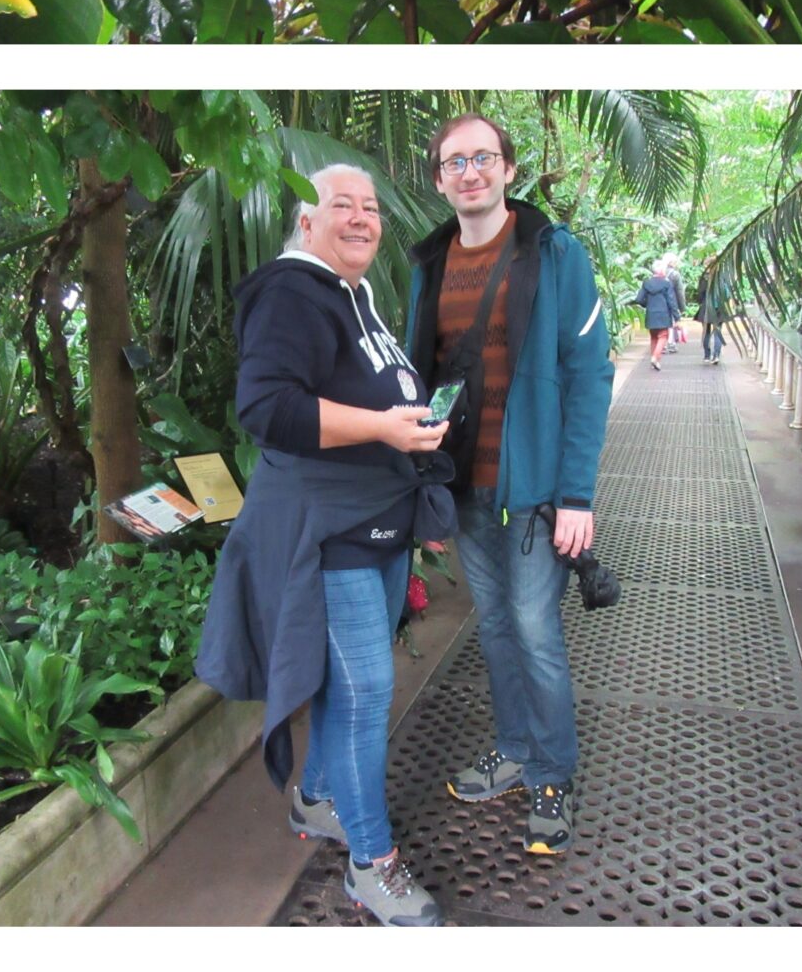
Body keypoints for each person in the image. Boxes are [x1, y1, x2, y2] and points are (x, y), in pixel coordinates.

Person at [197, 164, 452, 927]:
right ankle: (371, 867)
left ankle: (316, 800)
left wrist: (412, 426)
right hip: (327, 530)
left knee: (353, 690)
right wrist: (382, 426)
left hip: (377, 519)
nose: (363, 218)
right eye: (342, 205)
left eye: (371, 207)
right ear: (306, 223)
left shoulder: (354, 295)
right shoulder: (290, 290)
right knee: (367, 691)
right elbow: (267, 406)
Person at [404, 113, 615, 858]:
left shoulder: (554, 254)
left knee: (534, 629)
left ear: (508, 168)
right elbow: (419, 377)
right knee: (492, 628)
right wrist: (420, 481)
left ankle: (552, 771)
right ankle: (516, 747)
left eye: (482, 158)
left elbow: (589, 375)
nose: (470, 171)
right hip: (463, 486)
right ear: (439, 178)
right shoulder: (427, 264)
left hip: (531, 490)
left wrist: (577, 494)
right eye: (454, 161)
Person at [638, 258, 682, 368]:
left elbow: (639, 299)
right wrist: (677, 317)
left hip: (651, 314)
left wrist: (647, 304)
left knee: (653, 337)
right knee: (663, 336)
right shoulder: (666, 284)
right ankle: (655, 357)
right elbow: (672, 301)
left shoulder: (646, 283)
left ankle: (654, 361)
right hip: (663, 314)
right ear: (662, 271)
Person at [697, 255, 730, 362]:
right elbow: (727, 293)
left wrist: (701, 302)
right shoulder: (723, 277)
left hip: (706, 307)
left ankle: (707, 355)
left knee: (706, 331)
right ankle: (716, 355)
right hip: (719, 308)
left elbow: (700, 293)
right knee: (718, 331)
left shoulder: (704, 277)